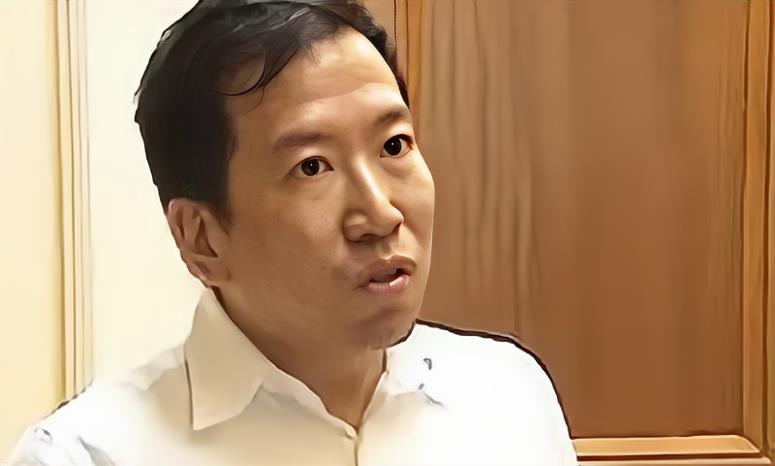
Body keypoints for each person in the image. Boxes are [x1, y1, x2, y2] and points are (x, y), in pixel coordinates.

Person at [7, 0, 577, 464]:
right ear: (201, 239)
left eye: (394, 144)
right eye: (312, 167)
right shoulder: (89, 455)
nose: (381, 214)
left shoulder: (509, 396)